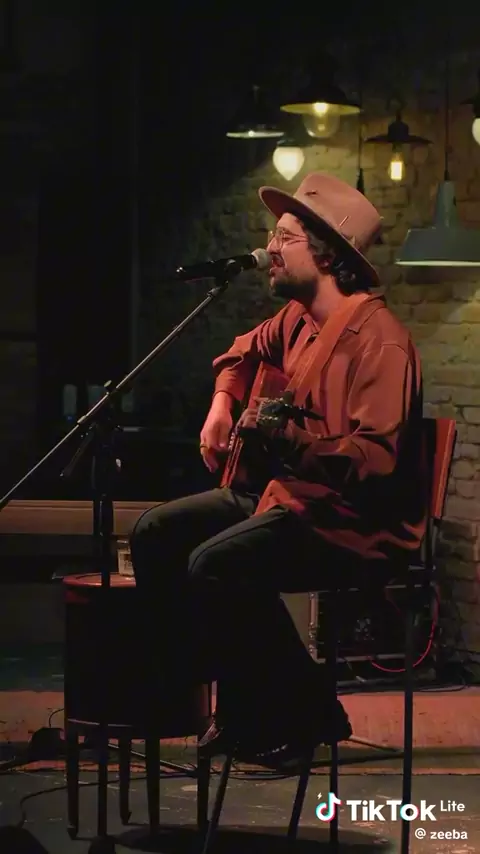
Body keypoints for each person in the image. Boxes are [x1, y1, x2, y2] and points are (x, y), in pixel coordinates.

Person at [130, 172, 426, 765]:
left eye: (284, 237)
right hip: (290, 497)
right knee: (155, 533)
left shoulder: (381, 342)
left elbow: (375, 462)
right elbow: (241, 351)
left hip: (351, 520)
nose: (268, 248)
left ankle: (300, 708)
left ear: (327, 255)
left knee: (218, 564)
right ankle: (215, 703)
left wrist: (288, 440)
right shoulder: (295, 320)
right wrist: (222, 403)